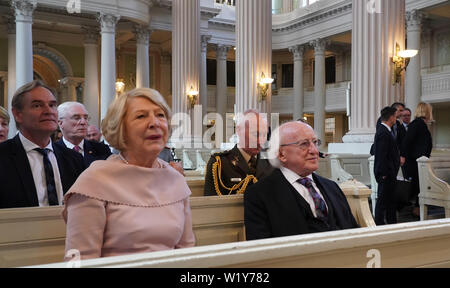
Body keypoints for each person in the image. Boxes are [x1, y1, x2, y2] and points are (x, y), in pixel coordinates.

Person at [63, 88, 195, 260]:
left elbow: (187, 252)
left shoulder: (175, 179)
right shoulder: (94, 181)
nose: (154, 123)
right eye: (141, 116)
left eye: (160, 115)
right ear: (121, 129)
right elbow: (79, 259)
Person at [244, 121, 358, 240]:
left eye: (315, 142)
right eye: (304, 144)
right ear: (281, 154)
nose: (314, 151)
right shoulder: (260, 194)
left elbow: (354, 231)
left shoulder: (332, 187)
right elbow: (261, 249)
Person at [0, 80, 85, 209]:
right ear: (18, 114)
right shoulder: (3, 156)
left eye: (52, 105)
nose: (48, 111)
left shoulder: (74, 159)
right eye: (37, 105)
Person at [204, 109, 274, 196]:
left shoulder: (271, 163)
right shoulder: (220, 164)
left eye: (264, 135)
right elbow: (210, 204)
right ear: (239, 130)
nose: (261, 141)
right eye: (255, 134)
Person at [400, 102, 433, 217]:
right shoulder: (417, 124)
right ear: (426, 111)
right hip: (415, 162)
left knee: (420, 186)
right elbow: (407, 142)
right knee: (418, 186)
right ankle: (416, 209)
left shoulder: (421, 124)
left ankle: (417, 208)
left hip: (420, 161)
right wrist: (403, 156)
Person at [55, 102, 111, 167]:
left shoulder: (102, 149)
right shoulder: (53, 152)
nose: (83, 122)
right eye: (76, 118)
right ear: (60, 123)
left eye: (86, 118)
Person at [373, 106, 401, 225]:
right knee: (382, 202)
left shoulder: (385, 131)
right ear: (390, 117)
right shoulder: (383, 133)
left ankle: (391, 223)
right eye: (395, 116)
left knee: (390, 201)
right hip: (386, 173)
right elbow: (381, 155)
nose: (396, 119)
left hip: (389, 172)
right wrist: (383, 173)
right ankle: (378, 224)